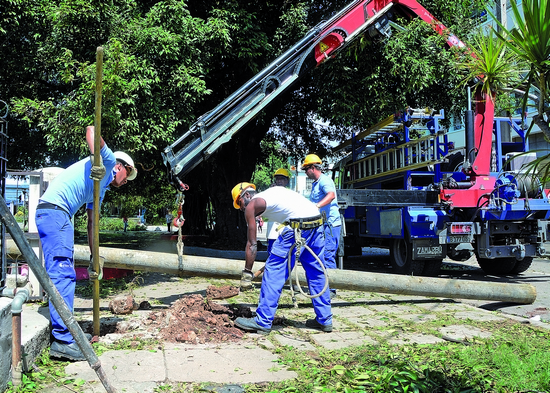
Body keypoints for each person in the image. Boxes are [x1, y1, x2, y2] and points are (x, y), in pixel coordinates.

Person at [36, 125, 137, 361]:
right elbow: (92, 129)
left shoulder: (99, 189)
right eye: (127, 176)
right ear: (120, 167)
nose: (125, 182)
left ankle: (64, 334)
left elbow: (93, 224)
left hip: (58, 215)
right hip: (55, 212)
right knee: (63, 274)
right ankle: (62, 340)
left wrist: (95, 258)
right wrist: (98, 161)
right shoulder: (108, 161)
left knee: (63, 272)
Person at [231, 182, 333, 334]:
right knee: (316, 271)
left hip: (297, 227)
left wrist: (247, 272)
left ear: (246, 195)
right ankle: (325, 320)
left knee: (274, 271)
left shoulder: (252, 205)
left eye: (240, 204)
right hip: (316, 223)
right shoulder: (273, 191)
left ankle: (263, 321)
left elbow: (252, 244)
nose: (242, 209)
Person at [302, 154, 342, 298]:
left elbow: (330, 195)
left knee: (328, 255)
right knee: (320, 256)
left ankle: (331, 290)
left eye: (306, 169)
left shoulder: (325, 181)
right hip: (323, 225)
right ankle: (323, 286)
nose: (305, 172)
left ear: (313, 168)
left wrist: (317, 206)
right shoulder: (316, 183)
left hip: (330, 226)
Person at [266, 168, 291, 254]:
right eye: (277, 179)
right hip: (272, 229)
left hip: (285, 228)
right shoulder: (270, 192)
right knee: (271, 251)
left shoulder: (290, 194)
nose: (279, 181)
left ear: (287, 181)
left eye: (282, 179)